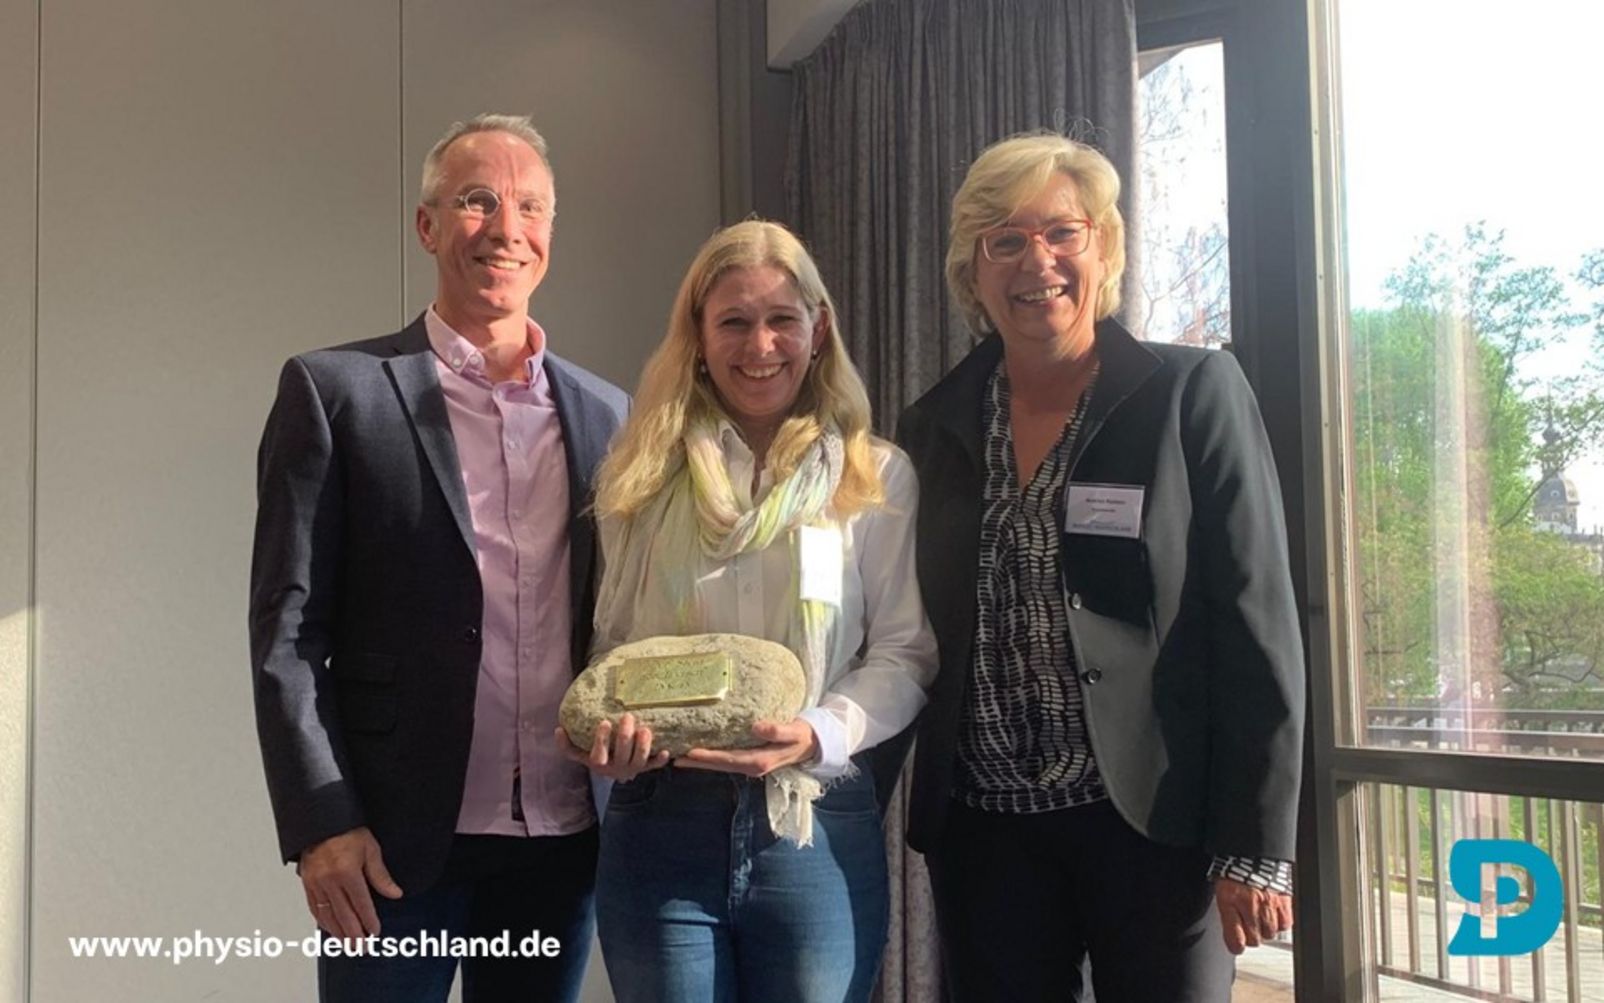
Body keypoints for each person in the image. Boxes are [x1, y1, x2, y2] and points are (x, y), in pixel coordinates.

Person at [896, 132, 1306, 1001]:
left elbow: (1256, 623)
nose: (1035, 260)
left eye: (1061, 232)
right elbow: (907, 625)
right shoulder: (931, 427)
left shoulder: (1191, 393)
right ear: (974, 270)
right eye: (1005, 239)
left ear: (1104, 248)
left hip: (1155, 826)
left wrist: (1256, 845)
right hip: (986, 835)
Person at [249, 113, 627, 1002]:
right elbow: (288, 633)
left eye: (530, 208)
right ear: (427, 225)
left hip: (561, 841)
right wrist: (321, 819)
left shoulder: (606, 413)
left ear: (550, 233)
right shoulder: (335, 391)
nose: (506, 228)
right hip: (388, 841)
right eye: (477, 200)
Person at [563, 219, 937, 1003]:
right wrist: (612, 737)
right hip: (661, 819)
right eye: (733, 321)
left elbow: (904, 653)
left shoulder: (874, 478)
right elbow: (614, 646)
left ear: (818, 330)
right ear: (698, 337)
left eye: (781, 320)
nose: (759, 345)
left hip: (814, 821)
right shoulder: (640, 477)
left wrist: (818, 731)